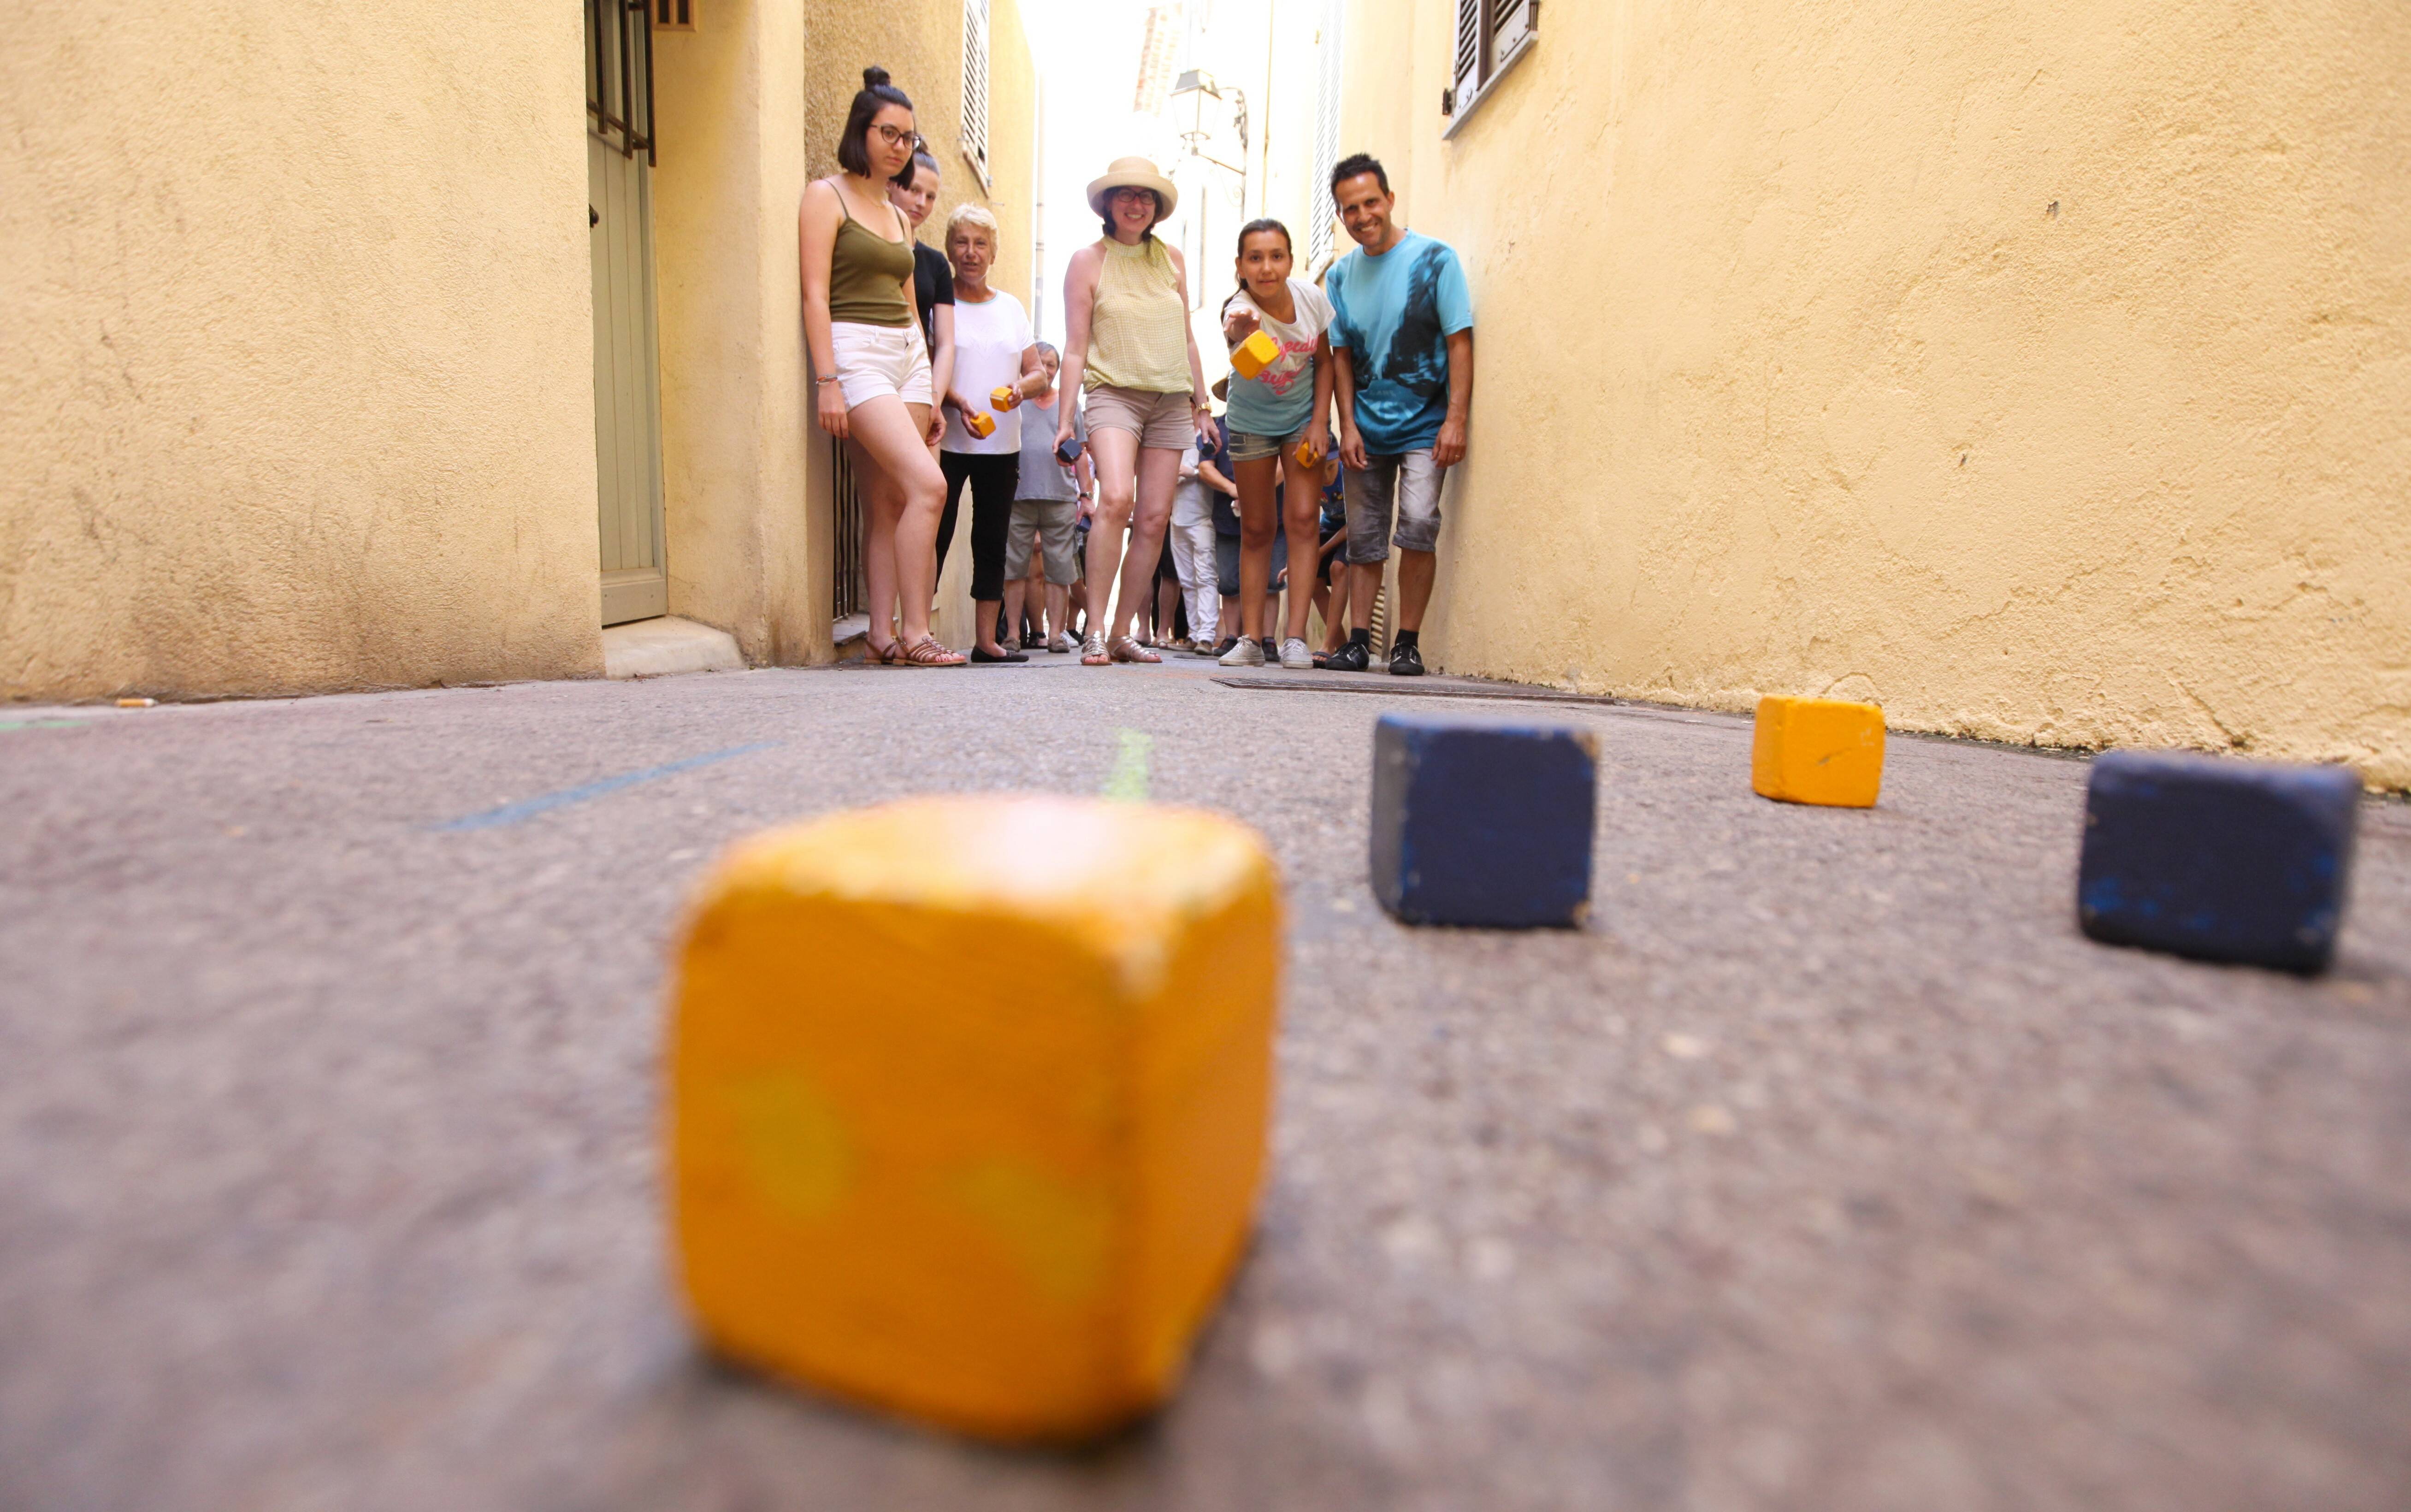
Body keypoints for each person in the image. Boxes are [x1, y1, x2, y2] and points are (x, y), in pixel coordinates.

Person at [800, 68, 961, 666]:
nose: (899, 147)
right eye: (888, 134)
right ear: (860, 132)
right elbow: (815, 295)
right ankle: (916, 632)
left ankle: (880, 634)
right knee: (929, 486)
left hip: (905, 357)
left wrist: (929, 385)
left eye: (908, 139)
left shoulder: (895, 214)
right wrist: (827, 383)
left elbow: (907, 304)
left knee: (889, 504)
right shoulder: (827, 196)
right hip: (855, 354)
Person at [1055, 157, 1218, 666]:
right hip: (1113, 393)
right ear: (1107, 204)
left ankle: (1125, 631)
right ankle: (1095, 630)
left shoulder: (1171, 259)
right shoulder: (1088, 260)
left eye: (1145, 196)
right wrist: (1065, 420)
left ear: (1156, 208)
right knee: (1117, 499)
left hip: (1170, 398)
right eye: (1124, 194)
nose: (1135, 203)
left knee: (1153, 517)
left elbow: (1186, 336)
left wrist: (1203, 404)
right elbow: (1077, 348)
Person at [1325, 152, 1474, 677]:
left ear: (1389, 200)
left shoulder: (1436, 260)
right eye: (1350, 209)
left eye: (1370, 202)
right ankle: (1360, 642)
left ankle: (1407, 642)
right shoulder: (1339, 277)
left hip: (1426, 425)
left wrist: (1456, 419)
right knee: (1364, 538)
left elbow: (1459, 341)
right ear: (1340, 217)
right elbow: (1340, 355)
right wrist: (1346, 426)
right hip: (1364, 428)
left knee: (1416, 524)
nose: (1363, 215)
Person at [1215, 220, 1335, 669]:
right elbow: (1234, 328)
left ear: (1290, 259)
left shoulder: (1311, 299)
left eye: (1276, 256)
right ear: (1241, 267)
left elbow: (1324, 362)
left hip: (1302, 420)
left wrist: (1320, 422)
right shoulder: (1239, 307)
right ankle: (1250, 638)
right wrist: (1241, 330)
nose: (1267, 268)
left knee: (1303, 520)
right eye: (1255, 258)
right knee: (1258, 528)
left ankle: (1296, 639)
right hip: (1251, 423)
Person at [933, 205, 1046, 663]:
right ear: (949, 249)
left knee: (992, 538)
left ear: (993, 252)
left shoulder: (1011, 308)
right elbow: (926, 365)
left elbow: (1038, 372)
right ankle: (919, 630)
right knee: (934, 534)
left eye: (981, 244)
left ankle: (986, 640)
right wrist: (956, 401)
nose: (971, 253)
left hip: (1002, 445)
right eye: (962, 242)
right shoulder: (942, 304)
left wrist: (1021, 388)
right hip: (946, 439)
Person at [1004, 343, 1092, 653]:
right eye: (1041, 363)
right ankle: (1013, 634)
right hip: (1018, 496)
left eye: (1052, 364)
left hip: (1060, 498)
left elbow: (1080, 453)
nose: (1048, 369)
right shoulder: (1014, 401)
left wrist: (1087, 496)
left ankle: (1056, 636)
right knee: (1014, 567)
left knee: (1059, 570)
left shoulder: (1069, 406)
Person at [891, 147, 955, 456]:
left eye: (930, 197)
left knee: (929, 487)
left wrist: (934, 398)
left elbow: (945, 343)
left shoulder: (936, 263)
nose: (921, 203)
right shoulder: (877, 250)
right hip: (877, 374)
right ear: (893, 183)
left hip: (920, 383)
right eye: (914, 190)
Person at [1165, 443, 1220, 653]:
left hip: (1203, 519)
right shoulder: (1174, 439)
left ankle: (1207, 637)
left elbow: (1216, 472)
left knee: (1206, 577)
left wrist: (1194, 472)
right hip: (1177, 519)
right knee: (1187, 581)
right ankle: (1194, 634)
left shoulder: (1206, 441)